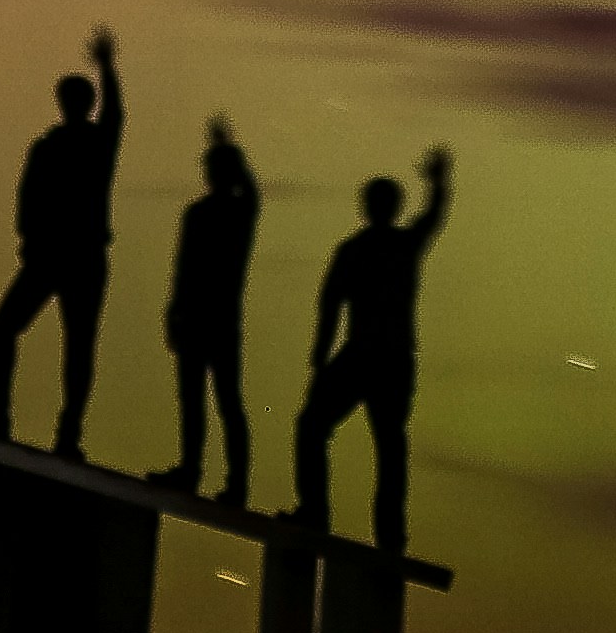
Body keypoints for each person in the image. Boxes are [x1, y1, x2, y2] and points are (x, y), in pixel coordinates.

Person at [290, 144, 453, 554]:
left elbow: (330, 303)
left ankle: (327, 515)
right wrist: (437, 182)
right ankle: (380, 532)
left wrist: (320, 356)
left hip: (372, 355)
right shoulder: (383, 247)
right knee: (382, 443)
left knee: (350, 435)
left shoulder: (364, 248)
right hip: (381, 356)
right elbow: (330, 303)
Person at [0, 28, 124, 456]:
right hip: (60, 256)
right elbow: (27, 198)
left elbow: (116, 113)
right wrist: (28, 239)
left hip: (73, 256)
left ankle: (52, 431)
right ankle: (18, 423)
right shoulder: (54, 146)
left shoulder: (83, 143)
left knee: (66, 343)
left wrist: (106, 67)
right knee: (44, 338)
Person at [148, 117, 262, 505]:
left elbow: (251, 191)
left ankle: (235, 484)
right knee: (196, 399)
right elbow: (183, 267)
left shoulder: (237, 211)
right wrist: (175, 312)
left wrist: (228, 147)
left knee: (226, 401)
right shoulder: (199, 213)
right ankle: (192, 471)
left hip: (219, 320)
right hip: (198, 318)